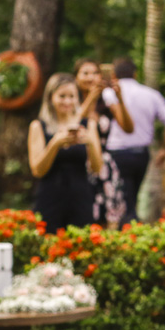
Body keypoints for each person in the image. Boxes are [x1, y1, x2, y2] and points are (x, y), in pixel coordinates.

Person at [104, 57, 165, 225]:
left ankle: (127, 232)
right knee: (131, 197)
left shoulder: (108, 93)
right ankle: (130, 228)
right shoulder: (151, 94)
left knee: (122, 200)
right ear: (135, 74)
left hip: (116, 153)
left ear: (114, 75)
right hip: (140, 154)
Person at [28, 73, 102, 234]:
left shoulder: (88, 125)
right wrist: (55, 144)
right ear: (50, 98)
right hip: (50, 197)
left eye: (72, 96)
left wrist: (90, 142)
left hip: (81, 196)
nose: (67, 101)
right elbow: (37, 170)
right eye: (62, 96)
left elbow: (97, 168)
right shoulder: (38, 126)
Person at [74, 58, 130, 227]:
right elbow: (75, 121)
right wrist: (92, 95)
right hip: (79, 165)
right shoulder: (69, 99)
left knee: (107, 219)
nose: (91, 77)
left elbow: (128, 127)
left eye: (95, 73)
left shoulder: (106, 102)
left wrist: (119, 96)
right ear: (76, 77)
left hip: (104, 167)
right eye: (85, 73)